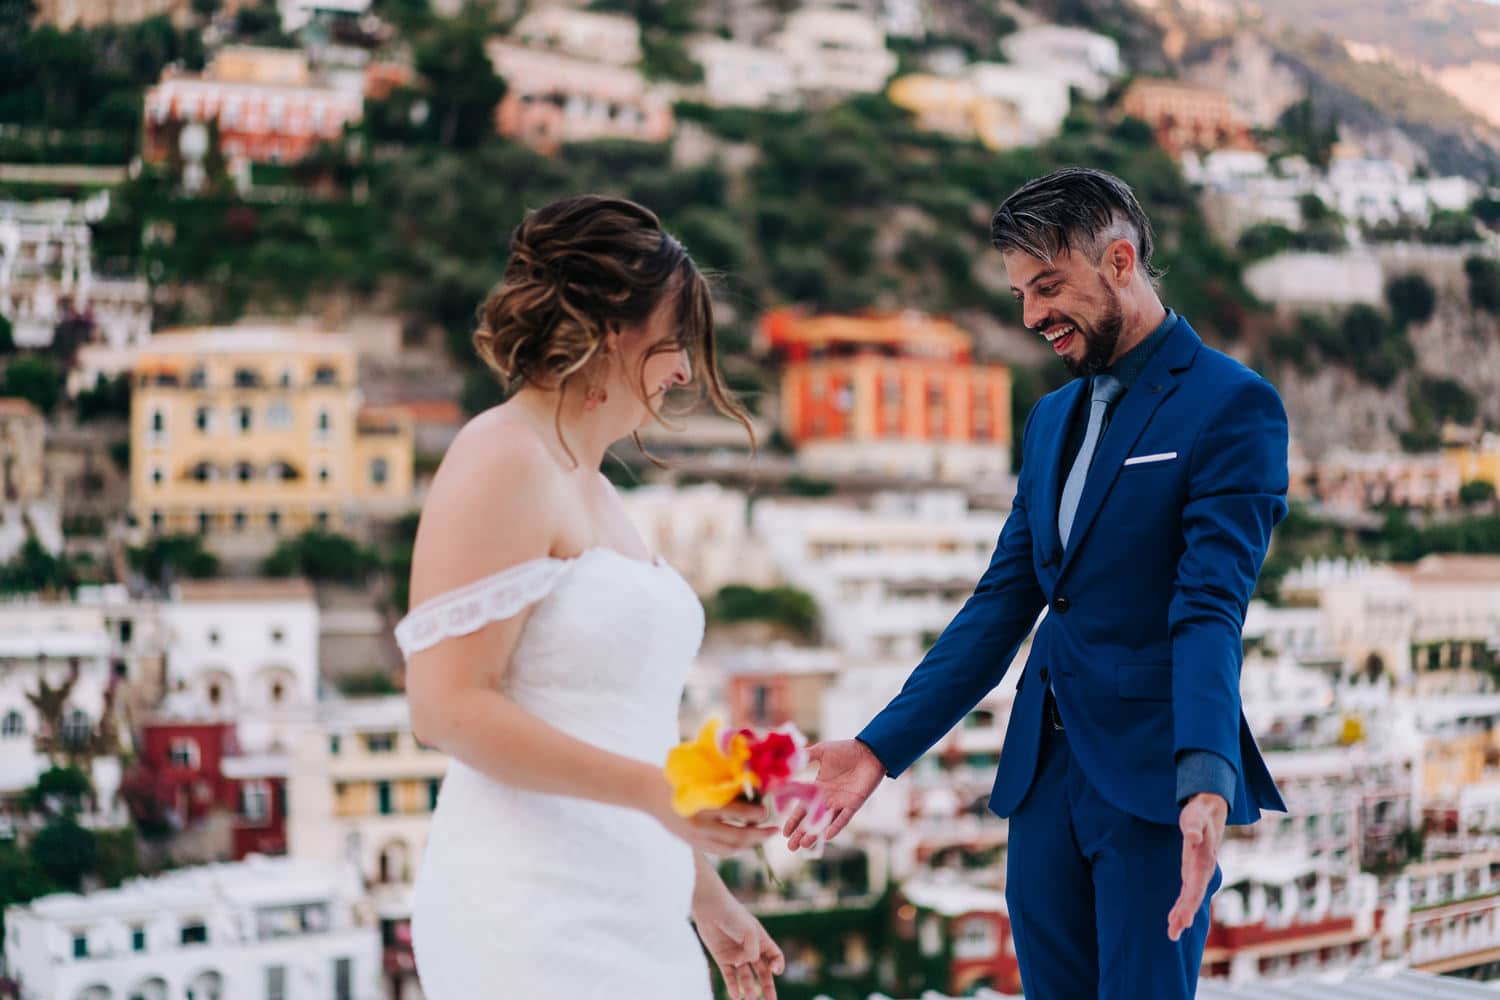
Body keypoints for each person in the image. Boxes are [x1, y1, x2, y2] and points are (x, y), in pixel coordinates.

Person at [782, 167, 1290, 999]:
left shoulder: (1234, 406)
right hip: (1041, 778)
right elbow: (1003, 601)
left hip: (1153, 779)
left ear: (1120, 262)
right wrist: (879, 747)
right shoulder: (1050, 418)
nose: (1030, 316)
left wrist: (1205, 777)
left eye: (1048, 287)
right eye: (1020, 292)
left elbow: (1208, 610)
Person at [395, 194, 783, 1000]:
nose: (683, 370)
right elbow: (447, 707)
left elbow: (618, 724)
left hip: (634, 910)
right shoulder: (502, 455)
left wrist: (704, 896)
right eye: (674, 342)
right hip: (532, 917)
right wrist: (658, 795)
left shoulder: (594, 485)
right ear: (613, 330)